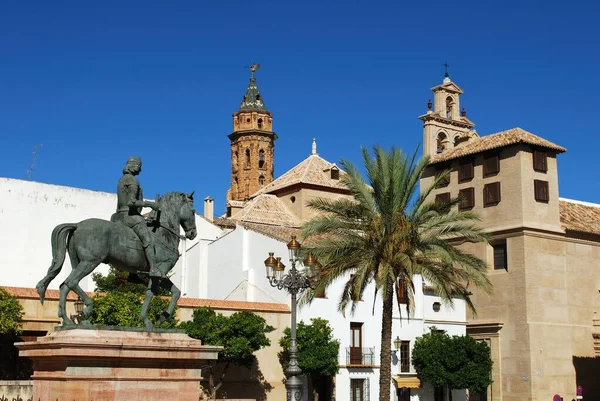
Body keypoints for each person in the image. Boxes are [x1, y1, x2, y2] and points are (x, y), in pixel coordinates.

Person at [112, 156, 163, 279]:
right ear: (134, 166)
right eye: (139, 166)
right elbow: (131, 202)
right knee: (148, 240)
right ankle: (154, 268)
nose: (140, 169)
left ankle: (132, 273)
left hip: (117, 216)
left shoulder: (121, 179)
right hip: (129, 216)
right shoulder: (132, 180)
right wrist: (150, 204)